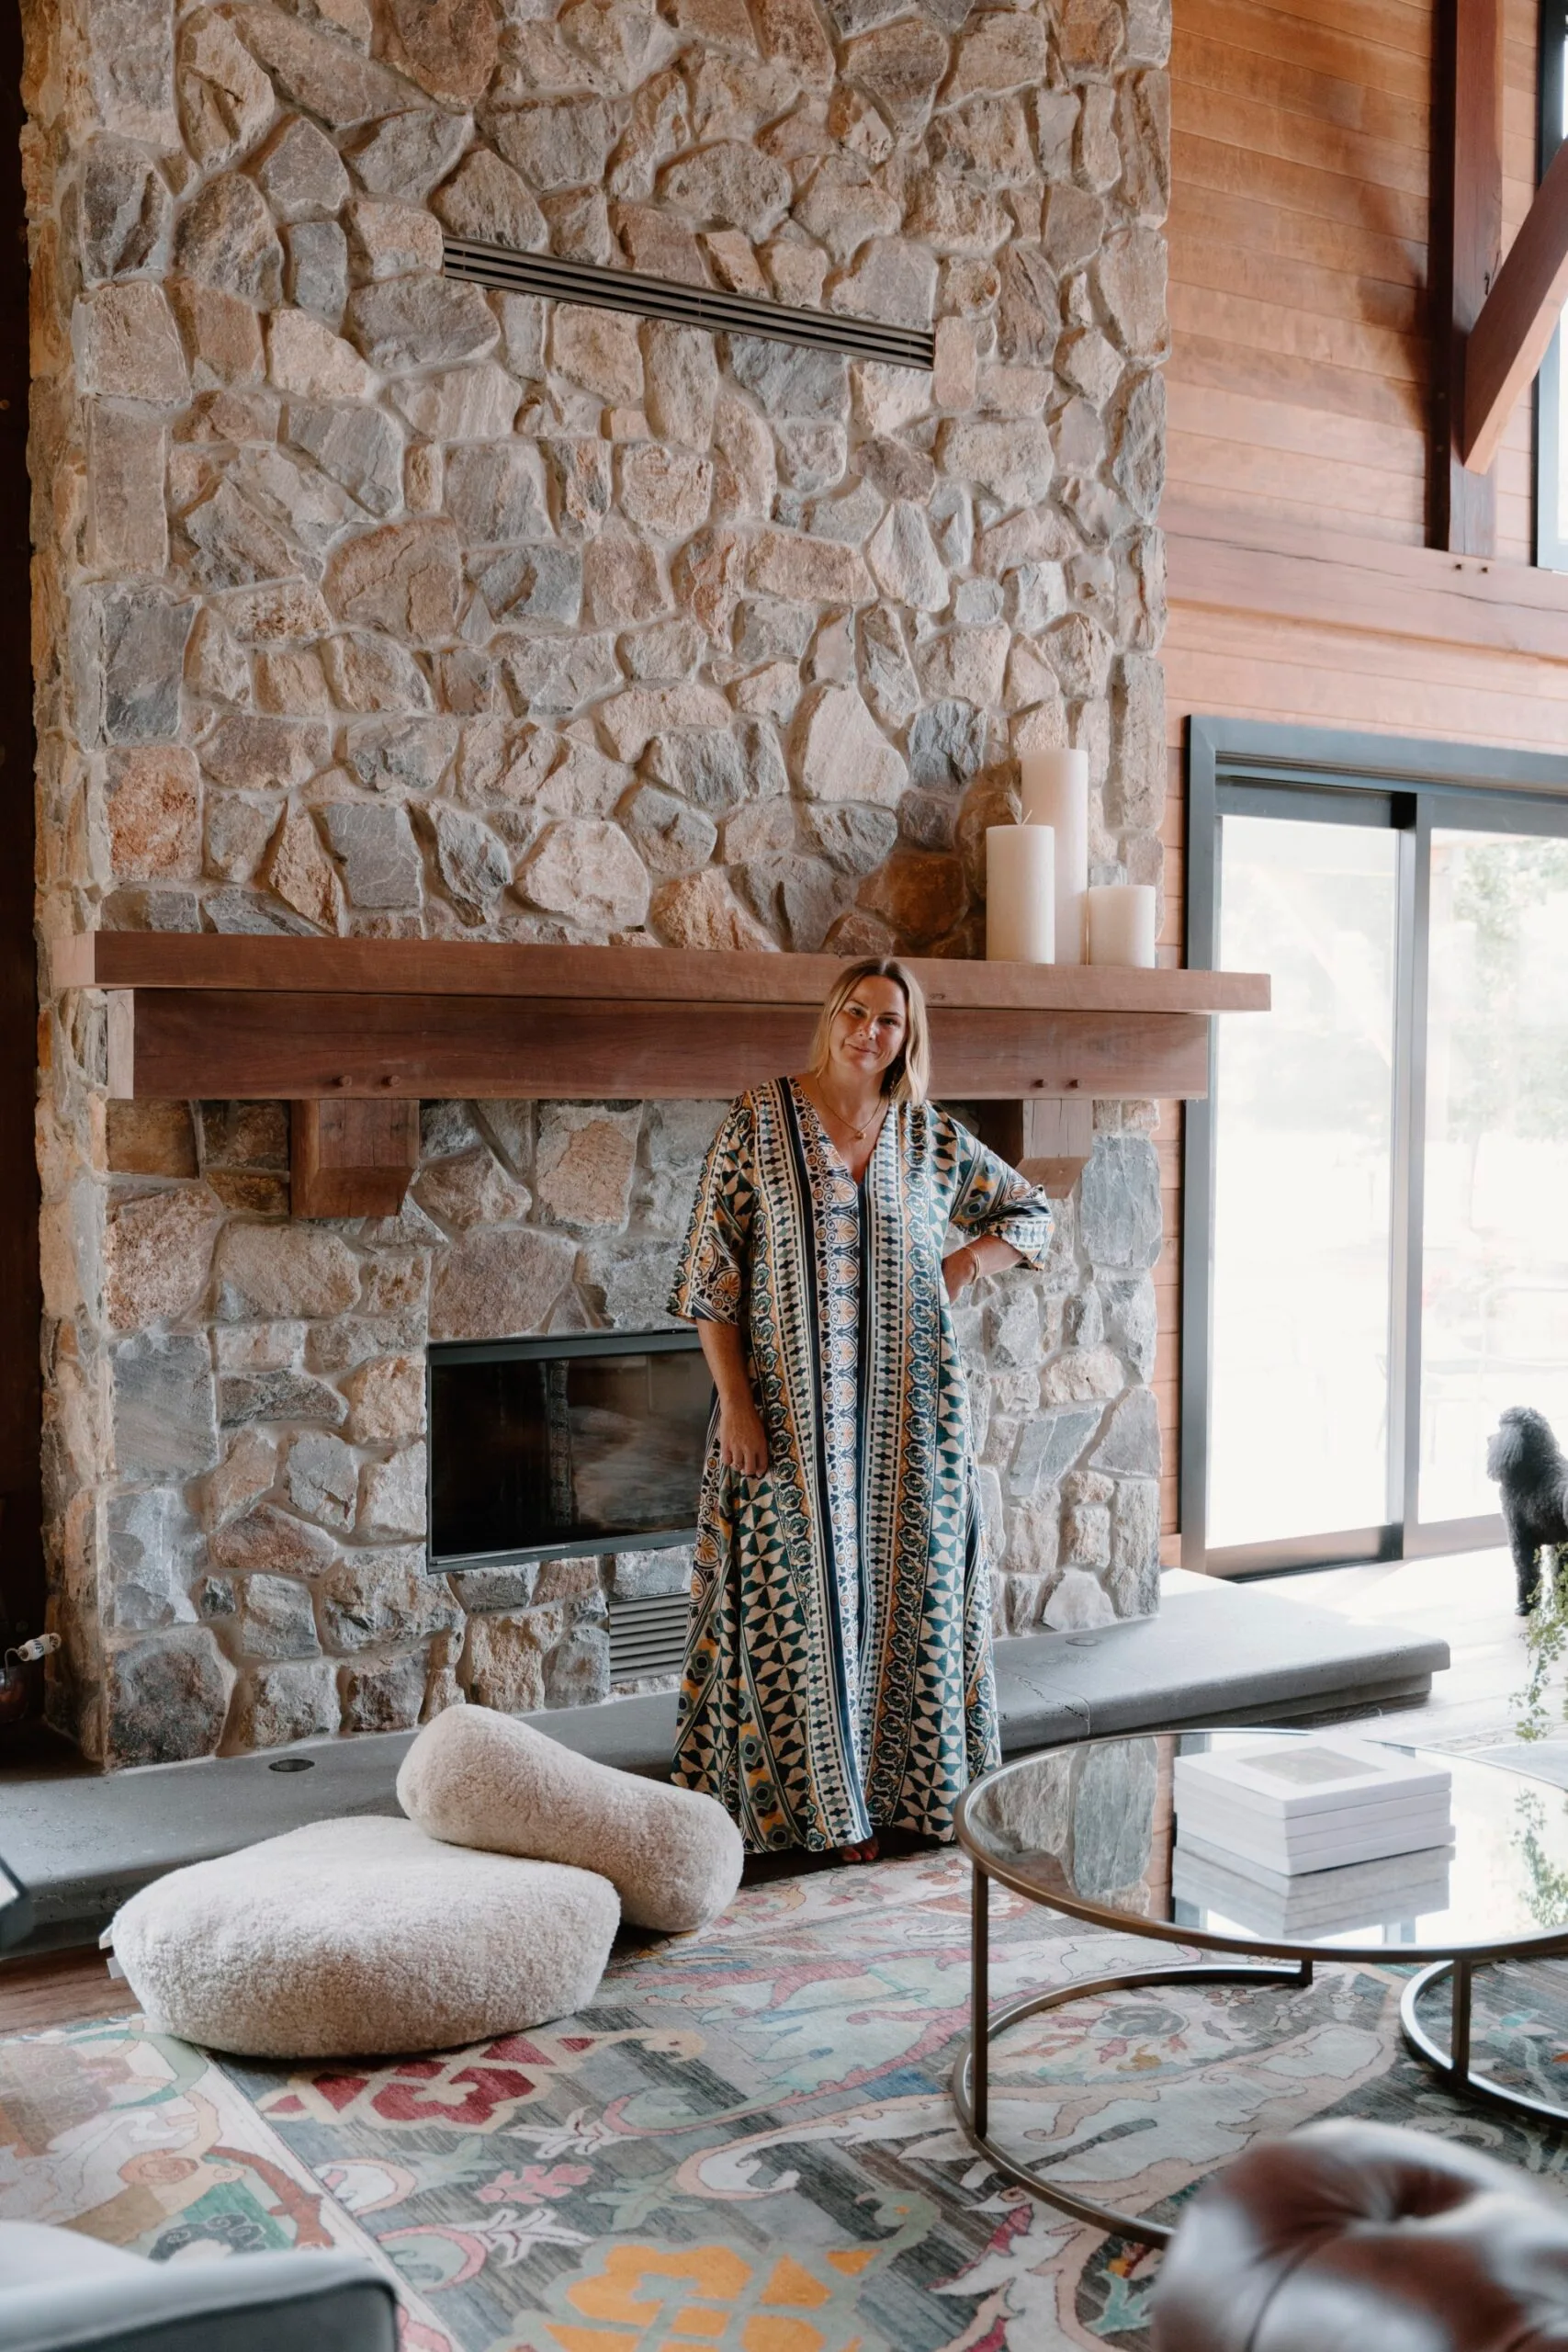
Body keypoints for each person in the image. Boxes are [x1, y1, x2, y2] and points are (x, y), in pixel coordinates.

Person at [668, 956, 1055, 1862]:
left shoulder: (928, 1136)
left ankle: (903, 1805)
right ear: (831, 1017)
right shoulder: (758, 1123)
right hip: (790, 1423)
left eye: (888, 1020)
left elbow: (1033, 1213)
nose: (868, 1032)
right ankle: (814, 1815)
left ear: (906, 1037)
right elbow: (709, 1279)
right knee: (794, 1606)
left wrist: (965, 1263)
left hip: (917, 1424)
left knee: (906, 1603)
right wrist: (735, 1403)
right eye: (856, 1012)